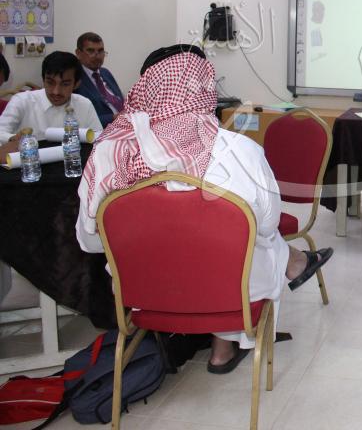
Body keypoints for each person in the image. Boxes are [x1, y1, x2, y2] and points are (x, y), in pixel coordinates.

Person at [76, 45, 333, 374]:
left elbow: (90, 241)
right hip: (228, 294)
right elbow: (269, 225)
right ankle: (224, 347)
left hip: (146, 294)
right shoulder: (240, 150)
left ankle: (284, 272)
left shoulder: (108, 153)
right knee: (253, 240)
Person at [0, 51, 102, 148]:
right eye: (50, 82)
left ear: (76, 84)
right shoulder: (22, 101)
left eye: (65, 84)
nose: (56, 91)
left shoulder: (84, 104)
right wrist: (13, 138)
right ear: (43, 80)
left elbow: (100, 140)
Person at [74, 32, 125, 127]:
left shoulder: (105, 72)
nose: (97, 56)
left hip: (125, 124)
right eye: (91, 51)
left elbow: (120, 99)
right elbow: (79, 119)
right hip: (103, 130)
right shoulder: (75, 78)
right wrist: (113, 118)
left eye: (100, 51)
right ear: (78, 53)